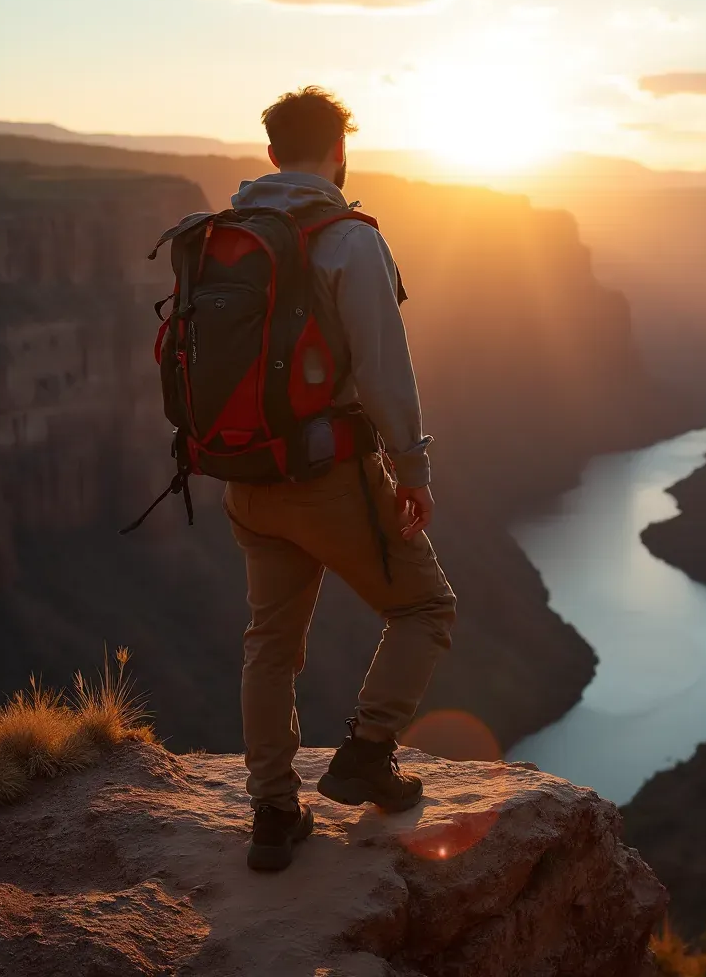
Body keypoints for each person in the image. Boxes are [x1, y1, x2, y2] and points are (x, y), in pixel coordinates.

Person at [222, 86, 457, 872]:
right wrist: (413, 469)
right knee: (425, 605)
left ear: (268, 156)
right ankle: (366, 753)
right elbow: (385, 373)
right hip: (328, 475)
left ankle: (273, 815)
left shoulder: (227, 233)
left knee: (270, 641)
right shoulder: (347, 239)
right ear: (341, 151)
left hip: (245, 475)